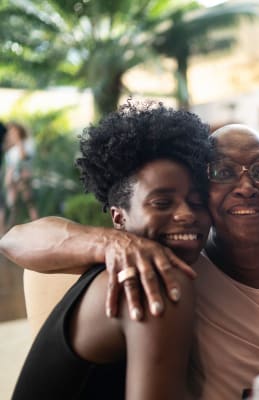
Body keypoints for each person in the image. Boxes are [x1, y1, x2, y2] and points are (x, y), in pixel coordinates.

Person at [2, 123, 259, 399]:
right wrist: (113, 243)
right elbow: (16, 238)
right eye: (224, 172)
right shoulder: (170, 264)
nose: (246, 186)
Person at [9, 101, 212, 400]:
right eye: (162, 203)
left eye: (197, 203)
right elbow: (11, 239)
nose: (186, 214)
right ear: (119, 218)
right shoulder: (152, 280)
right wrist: (111, 241)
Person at [4, 122, 38, 226]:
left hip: (24, 177)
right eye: (11, 132)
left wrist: (19, 142)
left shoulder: (28, 143)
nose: (12, 134)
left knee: (29, 201)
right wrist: (7, 178)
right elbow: (10, 166)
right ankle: (12, 228)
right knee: (13, 205)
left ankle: (36, 223)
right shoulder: (10, 150)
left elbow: (24, 157)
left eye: (15, 131)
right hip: (13, 179)